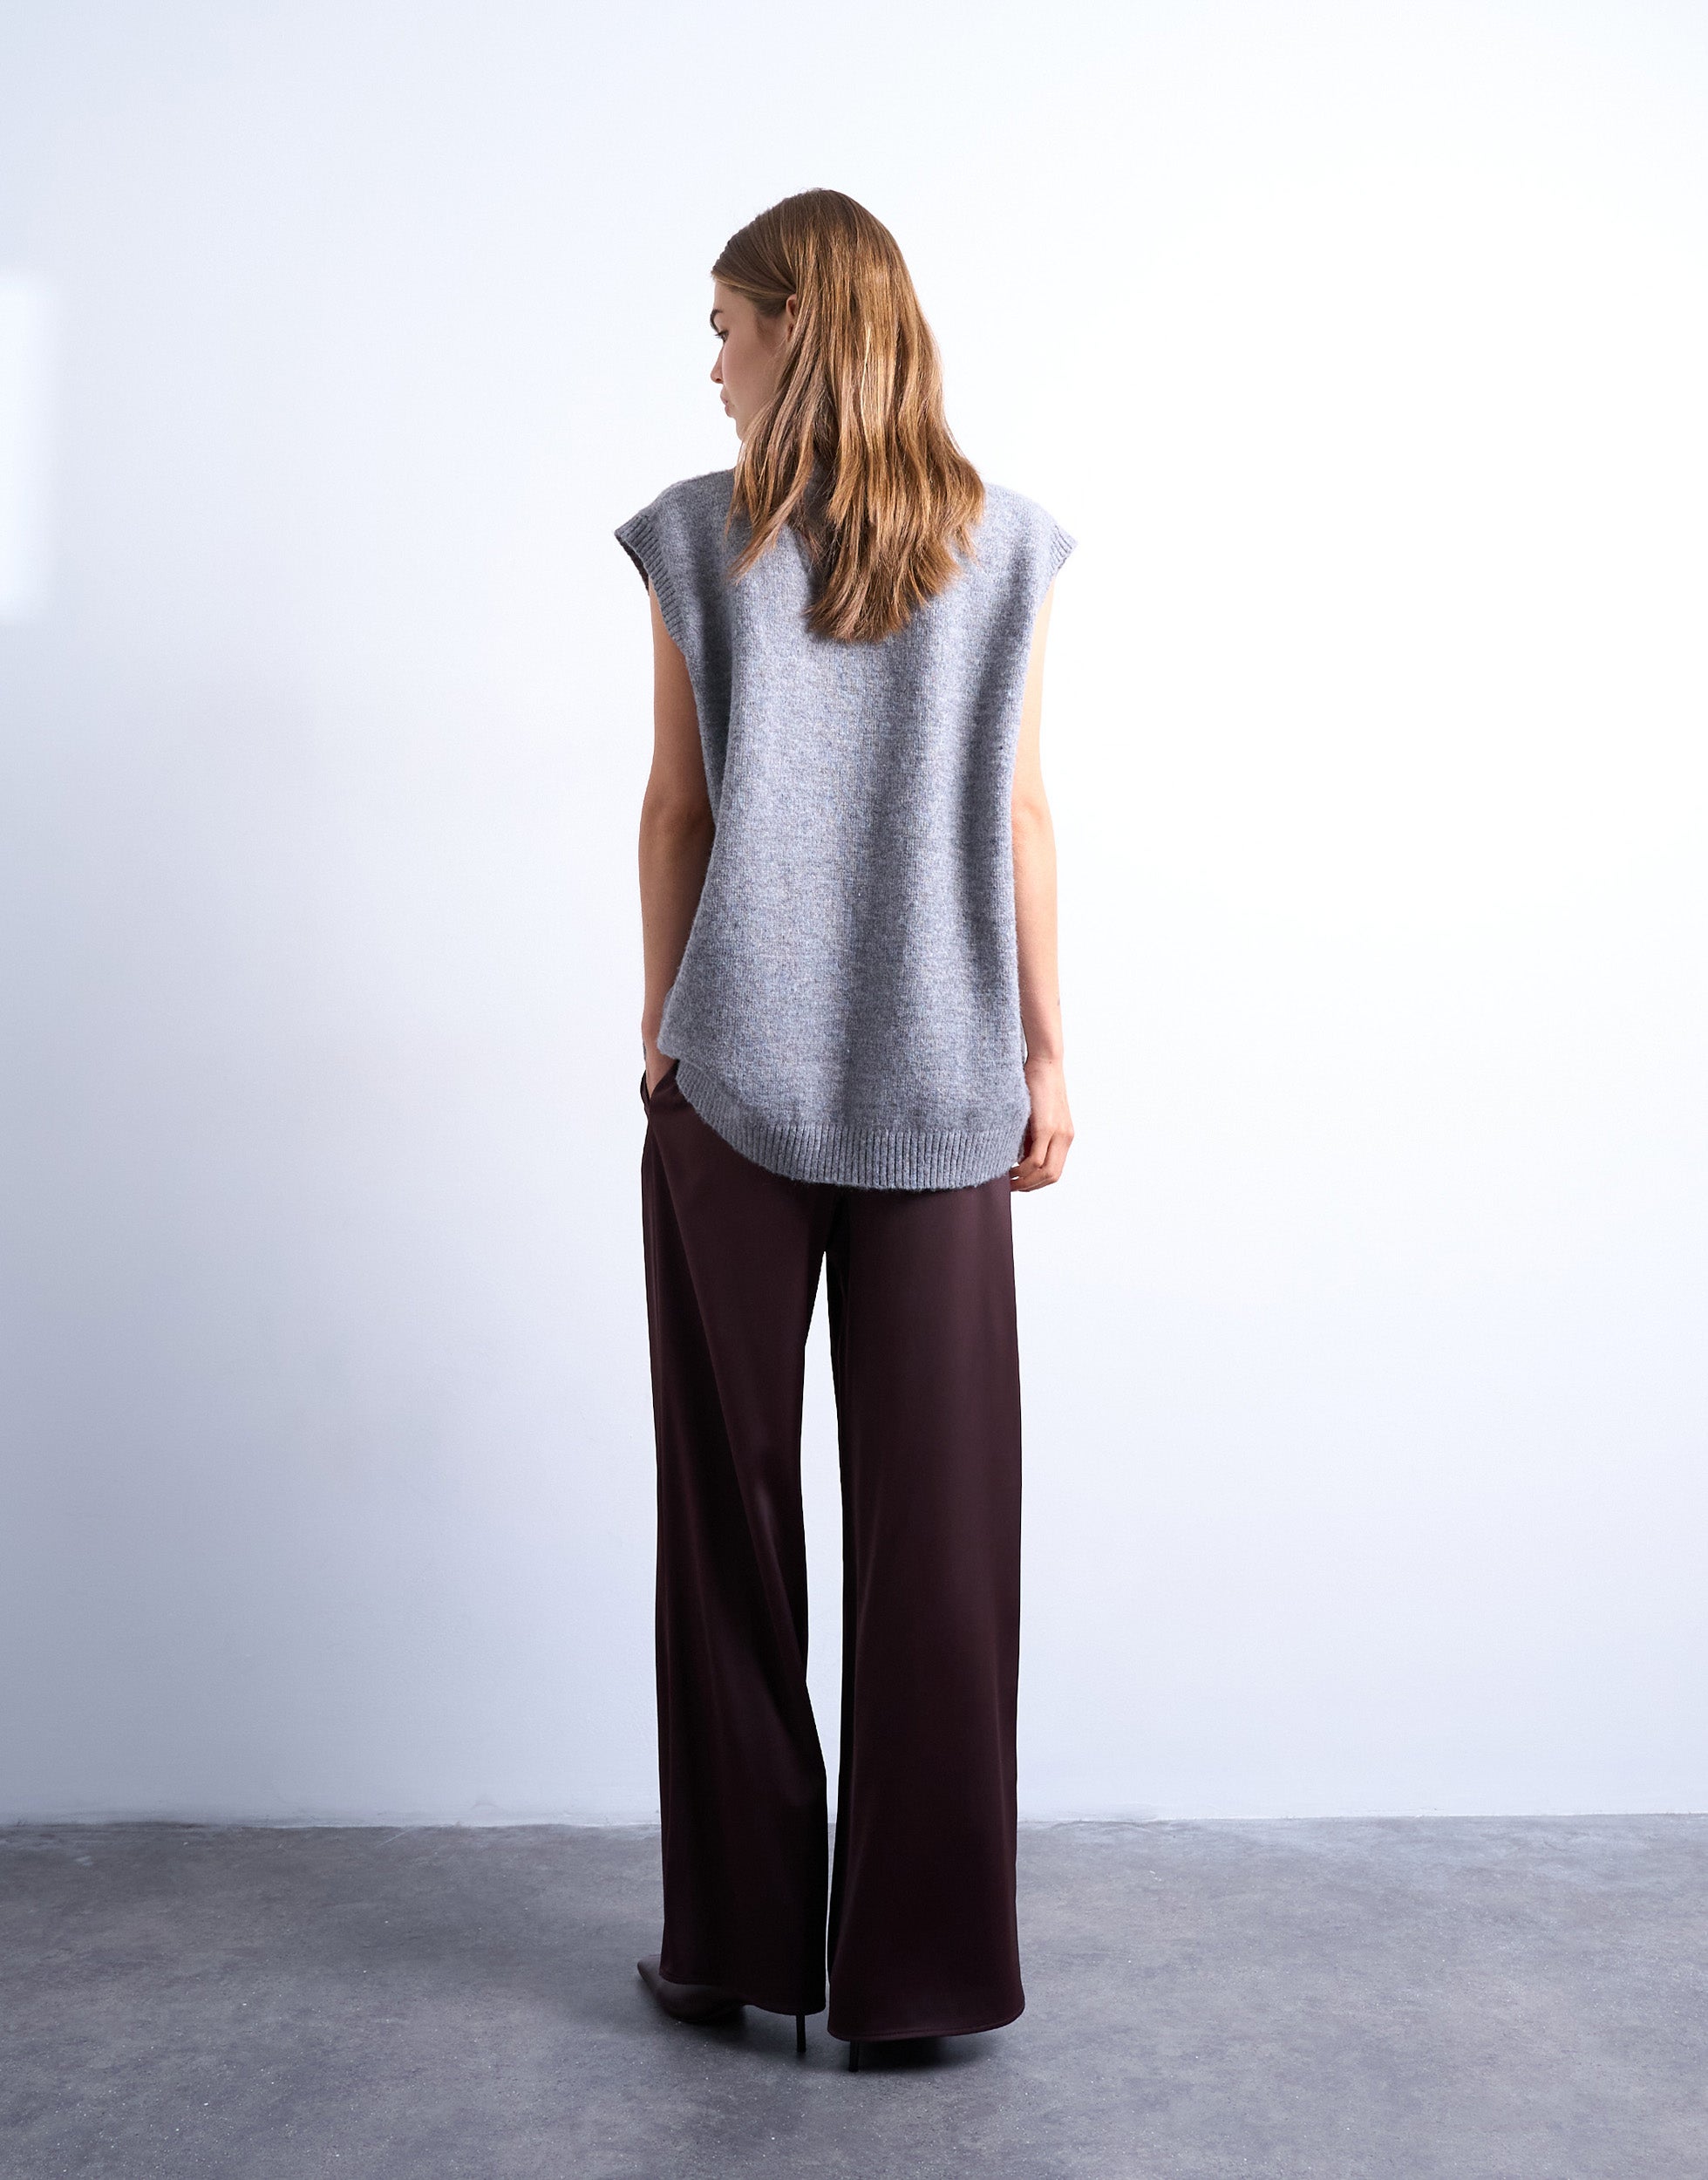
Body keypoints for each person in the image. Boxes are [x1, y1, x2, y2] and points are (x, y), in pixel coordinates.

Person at [615, 187, 1074, 2071]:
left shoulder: (697, 538)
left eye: (725, 325)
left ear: (797, 323)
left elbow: (677, 810)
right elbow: (1023, 817)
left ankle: (734, 1947)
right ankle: (921, 1976)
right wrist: (1049, 1056)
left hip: (731, 1082)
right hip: (947, 1084)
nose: (710, 362)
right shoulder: (1004, 544)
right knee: (939, 1550)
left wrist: (662, 1032)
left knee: (726, 1534)